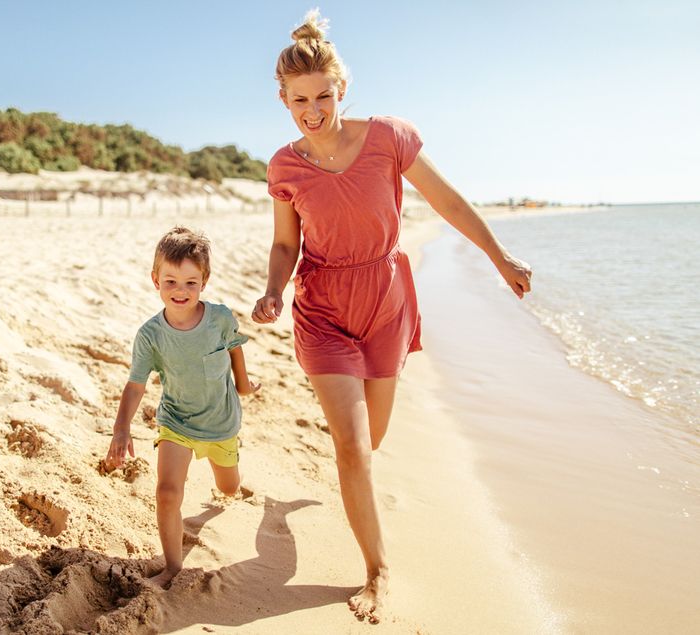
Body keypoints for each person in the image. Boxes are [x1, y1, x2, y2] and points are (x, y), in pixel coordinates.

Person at [252, 10, 533, 624]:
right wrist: (273, 289)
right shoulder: (284, 166)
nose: (312, 110)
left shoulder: (389, 137)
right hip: (322, 308)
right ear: (283, 99)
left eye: (323, 96)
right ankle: (377, 570)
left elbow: (447, 200)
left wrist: (499, 256)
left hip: (385, 302)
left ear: (341, 88)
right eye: (299, 100)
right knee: (353, 450)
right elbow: (285, 243)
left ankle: (295, 504)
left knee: (370, 442)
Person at [106, 226, 260, 588]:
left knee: (228, 488)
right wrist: (121, 427)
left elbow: (235, 347)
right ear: (155, 280)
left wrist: (242, 384)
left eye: (191, 282)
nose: (181, 290)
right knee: (167, 493)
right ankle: (172, 567)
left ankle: (227, 484)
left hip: (221, 423)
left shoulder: (220, 318)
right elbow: (136, 385)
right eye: (171, 281)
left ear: (204, 281)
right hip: (176, 422)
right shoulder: (150, 335)